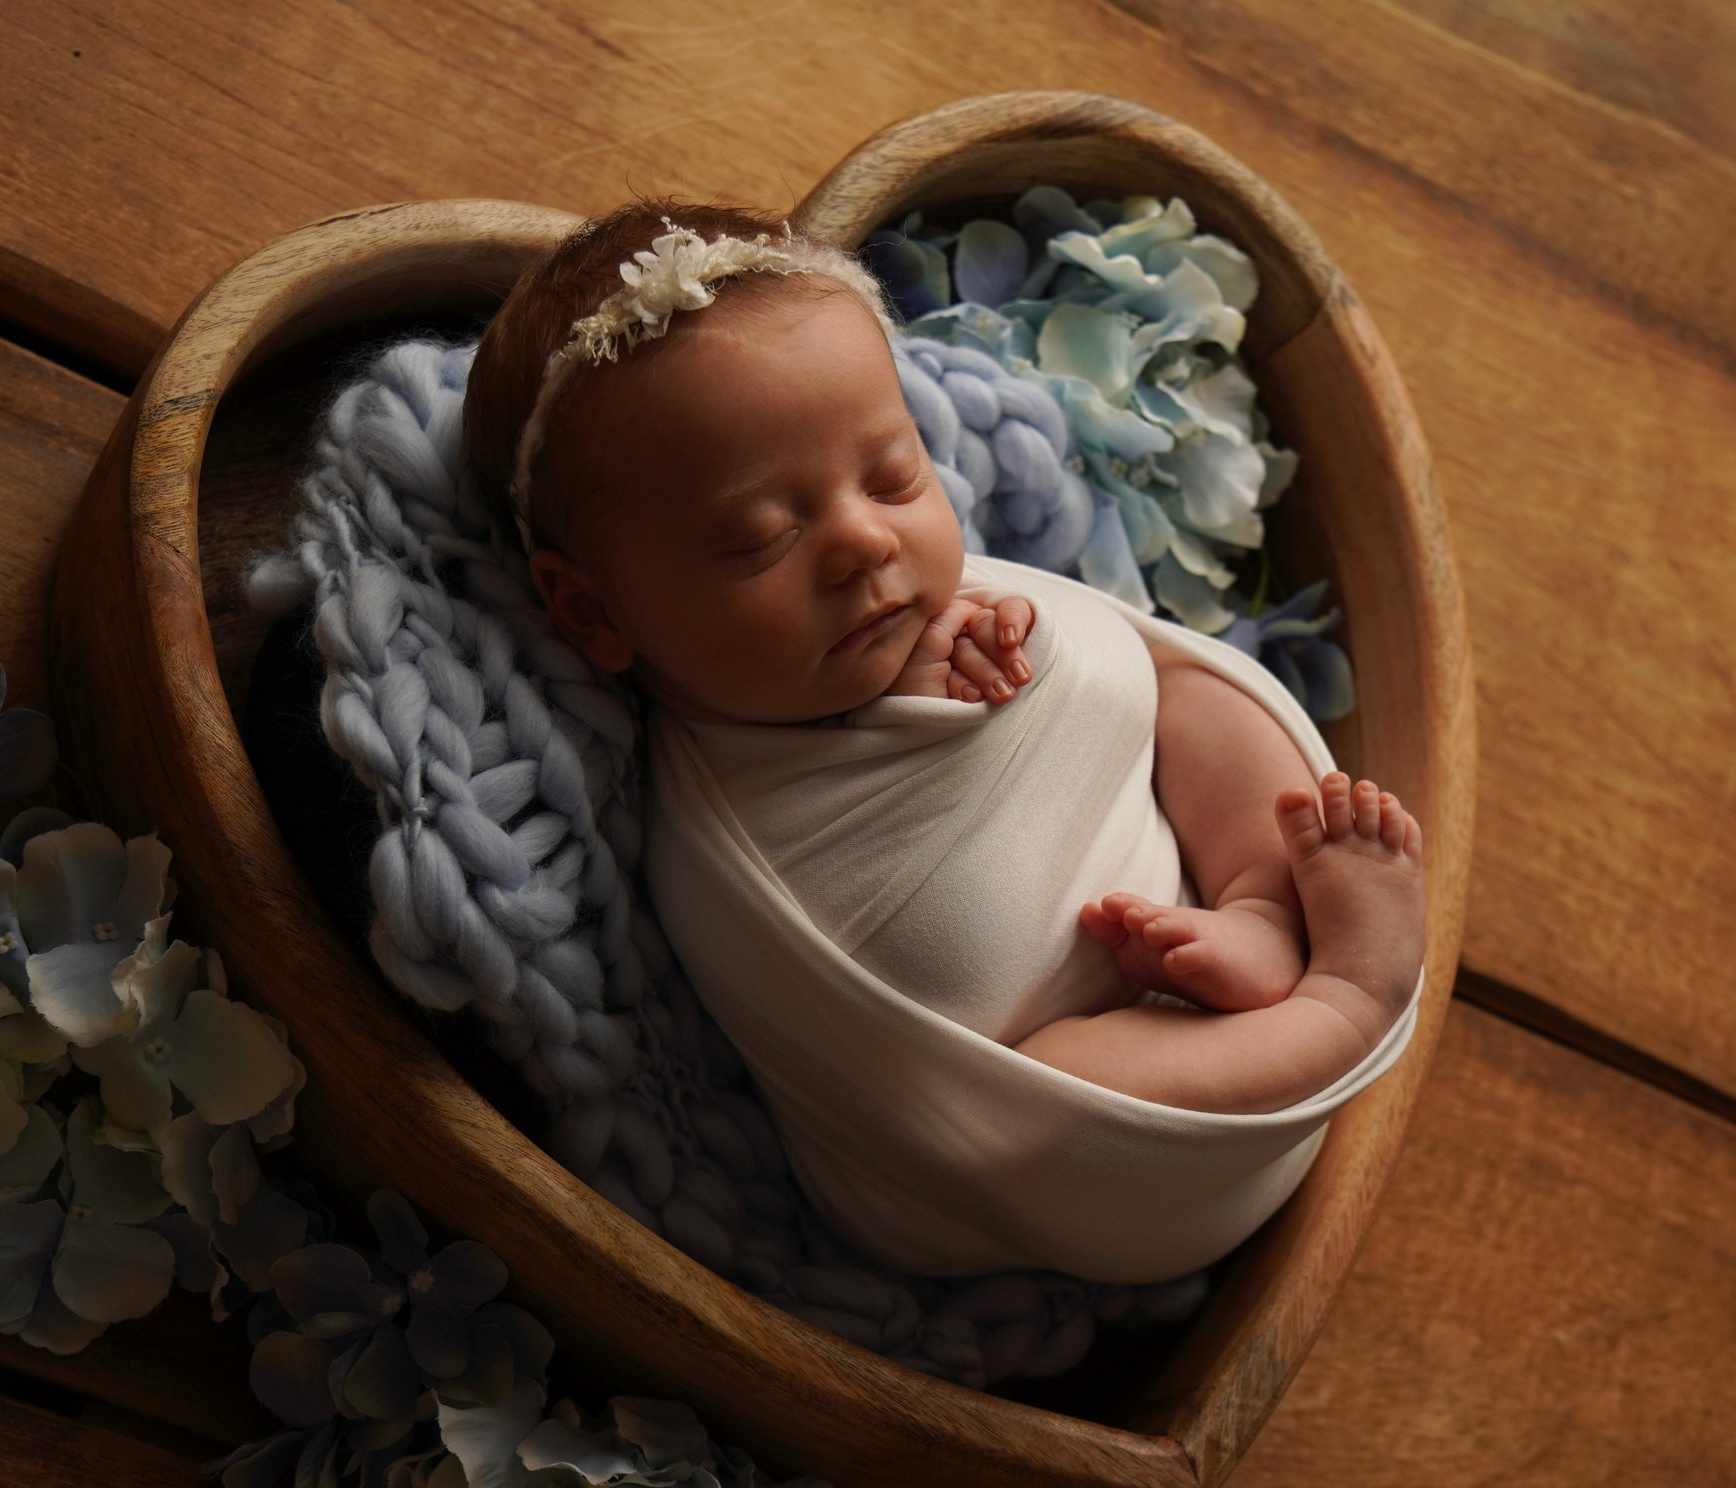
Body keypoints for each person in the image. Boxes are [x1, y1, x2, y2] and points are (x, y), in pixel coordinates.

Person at [461, 199, 1425, 1124]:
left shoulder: (949, 614)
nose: (864, 542)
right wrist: (906, 723)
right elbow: (868, 1031)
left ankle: (1261, 900)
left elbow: (1115, 675)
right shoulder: (702, 841)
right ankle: (1347, 999)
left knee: (1179, 690)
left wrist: (1000, 657)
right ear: (592, 610)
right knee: (1049, 1088)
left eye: (893, 477)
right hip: (1045, 1098)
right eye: (761, 538)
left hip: (1171, 887)